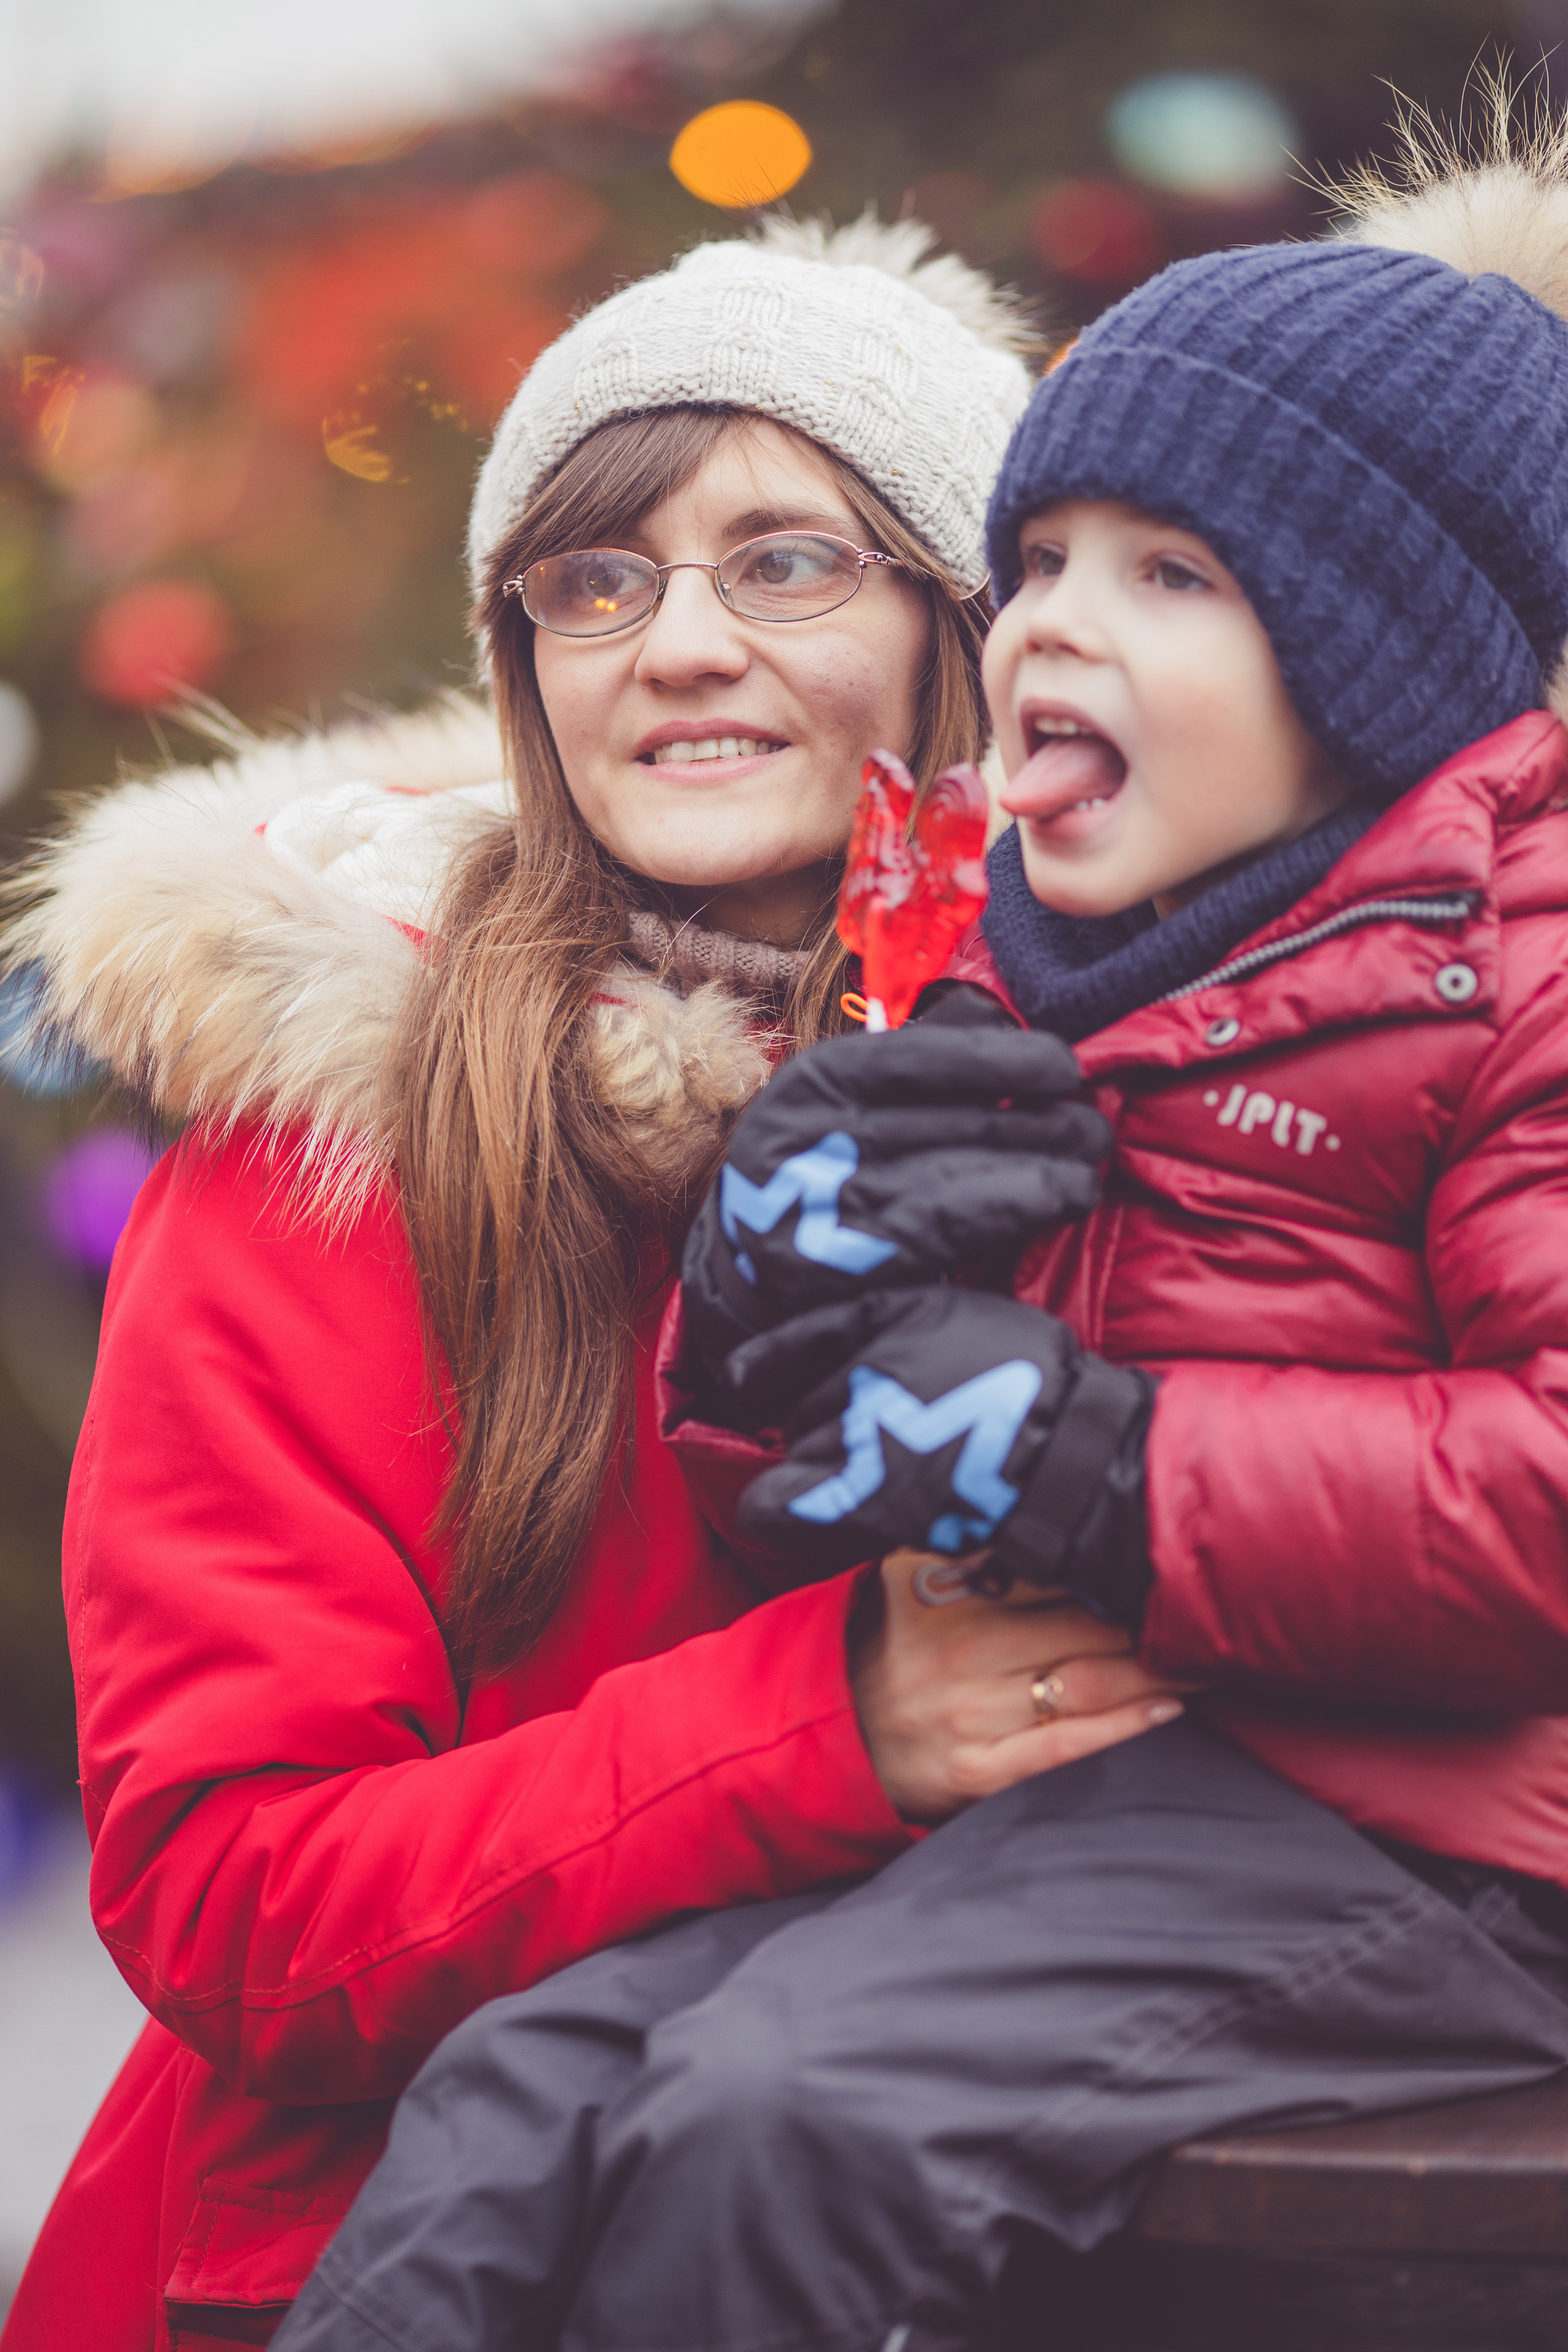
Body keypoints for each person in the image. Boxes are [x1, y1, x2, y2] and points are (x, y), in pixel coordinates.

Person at [270, 126, 1568, 2352]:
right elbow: (856, 1479)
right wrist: (780, 1295)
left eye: (1172, 572)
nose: (1057, 615)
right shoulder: (1057, 949)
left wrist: (1097, 1458)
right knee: (517, 2092)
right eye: (1042, 553)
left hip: (1441, 1838)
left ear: (1372, 656)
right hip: (1151, 1781)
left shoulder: (1506, 959)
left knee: (788, 2111)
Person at [0, 217, 1168, 2352]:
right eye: (597, 581)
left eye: (786, 560)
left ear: (965, 619)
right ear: (525, 661)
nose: (677, 644)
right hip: (407, 2251)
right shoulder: (328, 1150)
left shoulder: (1188, 1078)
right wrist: (834, 1721)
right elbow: (234, 1906)